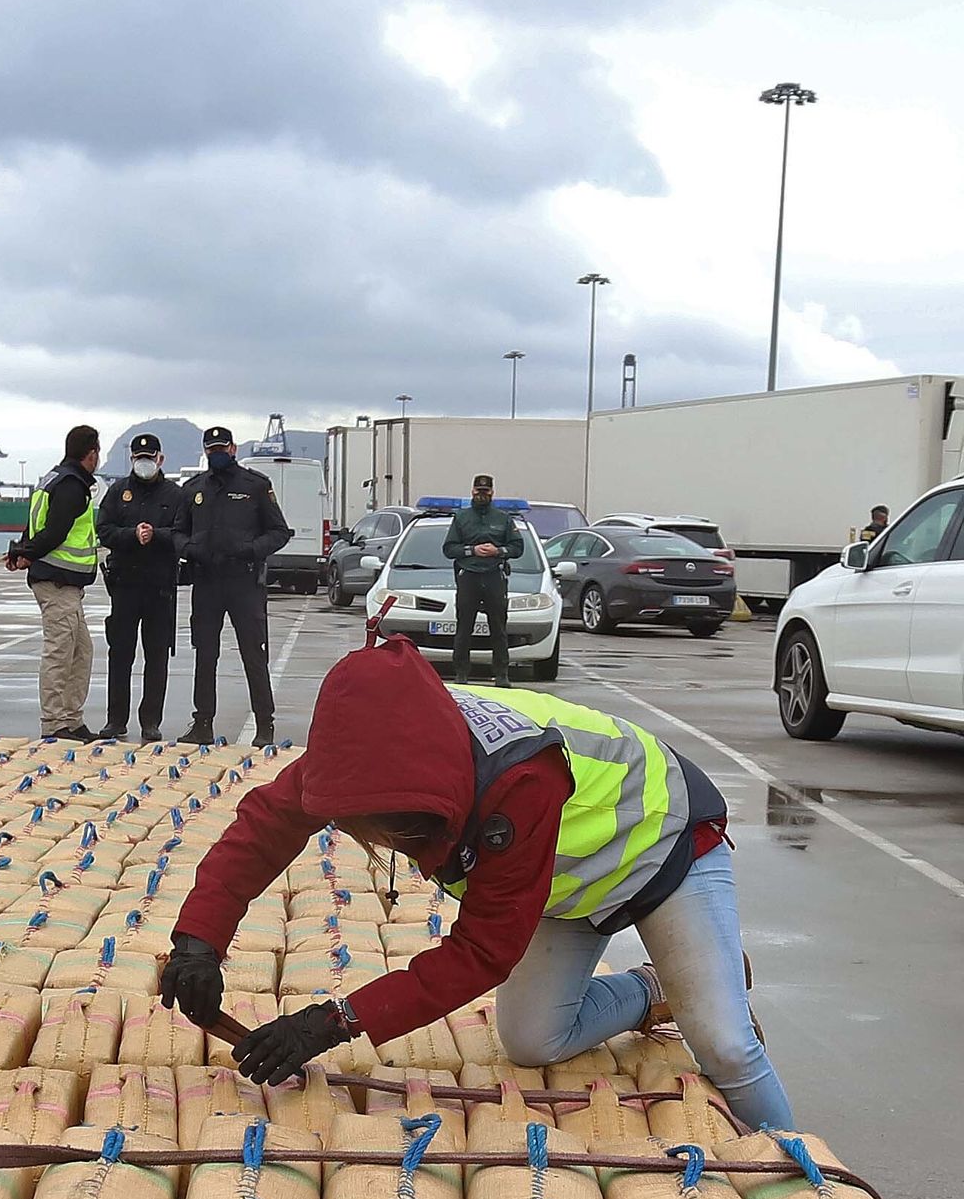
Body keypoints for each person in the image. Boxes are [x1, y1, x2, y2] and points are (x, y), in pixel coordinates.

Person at [160, 630, 793, 1131]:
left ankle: (804, 1177)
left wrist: (334, 1023)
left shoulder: (519, 784)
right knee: (533, 1040)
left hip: (664, 843)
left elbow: (482, 952)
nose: (368, 842)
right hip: (558, 881)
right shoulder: (370, 749)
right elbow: (268, 823)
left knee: (727, 1046)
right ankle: (654, 989)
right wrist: (198, 939)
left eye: (375, 833)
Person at [172, 425, 290, 745]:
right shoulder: (193, 488)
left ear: (233, 448)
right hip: (207, 581)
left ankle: (265, 725)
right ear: (205, 451)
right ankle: (202, 724)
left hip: (244, 581)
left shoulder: (255, 486)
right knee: (205, 654)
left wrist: (251, 549)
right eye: (212, 449)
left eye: (223, 448)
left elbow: (280, 532)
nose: (217, 453)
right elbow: (177, 531)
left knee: (254, 653)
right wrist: (188, 548)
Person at [8, 425, 102, 739]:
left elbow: (35, 526)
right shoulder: (71, 486)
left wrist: (22, 551)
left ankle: (71, 719)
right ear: (91, 454)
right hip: (57, 581)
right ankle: (55, 723)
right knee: (61, 652)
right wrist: (27, 554)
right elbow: (55, 532)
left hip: (64, 584)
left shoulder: (51, 479)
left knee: (81, 651)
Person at [95, 430, 180, 738]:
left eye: (149, 458)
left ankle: (150, 721)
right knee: (120, 654)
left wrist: (155, 534)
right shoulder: (118, 492)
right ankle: (115, 720)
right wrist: (132, 535)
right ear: (131, 459)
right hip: (125, 585)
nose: (144, 463)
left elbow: (183, 533)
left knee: (156, 656)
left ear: (160, 459)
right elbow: (104, 529)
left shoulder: (174, 494)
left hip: (160, 586)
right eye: (138, 458)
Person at [442, 473, 523, 684]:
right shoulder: (461, 518)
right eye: (478, 491)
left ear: (492, 493)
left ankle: (501, 673)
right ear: (472, 491)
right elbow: (449, 549)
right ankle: (461, 672)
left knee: (498, 627)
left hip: (494, 576)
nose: (482, 495)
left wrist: (498, 551)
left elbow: (518, 547)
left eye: (486, 492)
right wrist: (472, 550)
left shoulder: (503, 518)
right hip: (468, 576)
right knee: (464, 627)